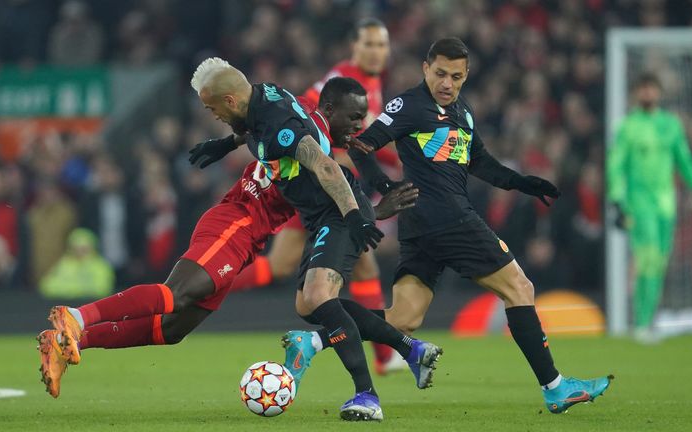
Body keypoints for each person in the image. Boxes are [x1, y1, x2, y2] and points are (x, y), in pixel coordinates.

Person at [36, 78, 421, 411]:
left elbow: (261, 126)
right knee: (177, 293)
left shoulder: (294, 114)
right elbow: (328, 173)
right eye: (354, 117)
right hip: (235, 221)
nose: (359, 126)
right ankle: (78, 317)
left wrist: (227, 143)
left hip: (249, 237)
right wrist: (369, 213)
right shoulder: (309, 139)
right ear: (330, 109)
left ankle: (71, 341)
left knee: (173, 328)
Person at [290, 38, 612, 415]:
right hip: (449, 218)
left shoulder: (462, 111)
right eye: (440, 73)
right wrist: (385, 188)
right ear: (426, 68)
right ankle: (555, 388)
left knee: (403, 319)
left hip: (422, 225)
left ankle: (311, 342)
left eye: (455, 77)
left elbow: (481, 163)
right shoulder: (409, 104)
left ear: (466, 76)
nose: (447, 83)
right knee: (520, 287)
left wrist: (520, 182)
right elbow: (361, 145)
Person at [190, 60, 442, 421]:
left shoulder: (278, 123)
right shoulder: (264, 97)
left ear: (230, 100)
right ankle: (411, 349)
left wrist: (355, 216)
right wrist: (227, 143)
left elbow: (324, 165)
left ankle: (367, 396)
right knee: (309, 307)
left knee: (320, 297)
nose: (211, 113)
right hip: (319, 217)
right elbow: (258, 129)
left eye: (211, 107)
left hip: (338, 212)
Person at [230, 18, 402, 374]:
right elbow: (309, 117)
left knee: (291, 265)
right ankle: (387, 355)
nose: (376, 51)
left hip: (326, 187)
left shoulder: (371, 82)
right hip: (319, 186)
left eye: (382, 45)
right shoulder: (341, 79)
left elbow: (358, 141)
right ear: (354, 47)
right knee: (356, 261)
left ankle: (386, 355)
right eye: (369, 44)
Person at [607, 72, 692, 342]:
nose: (648, 93)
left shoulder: (670, 125)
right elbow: (617, 166)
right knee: (647, 259)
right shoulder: (628, 127)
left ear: (659, 93)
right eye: (643, 89)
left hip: (666, 205)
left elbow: (683, 158)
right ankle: (640, 324)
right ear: (637, 94)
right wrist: (617, 200)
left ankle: (646, 323)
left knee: (659, 263)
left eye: (652, 88)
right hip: (640, 204)